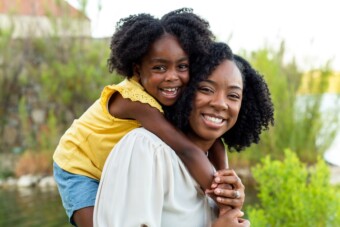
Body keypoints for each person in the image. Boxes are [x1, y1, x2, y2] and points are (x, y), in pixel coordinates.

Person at [53, 8, 231, 227]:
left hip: (111, 165)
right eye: (159, 67)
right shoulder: (134, 101)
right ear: (137, 70)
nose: (172, 77)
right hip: (78, 165)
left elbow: (213, 143)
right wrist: (223, 200)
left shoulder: (170, 93)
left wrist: (225, 176)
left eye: (182, 66)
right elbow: (185, 149)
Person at [94, 42, 274, 226]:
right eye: (206, 89)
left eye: (233, 96)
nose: (220, 103)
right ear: (184, 91)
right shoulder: (147, 149)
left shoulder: (216, 172)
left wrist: (228, 210)